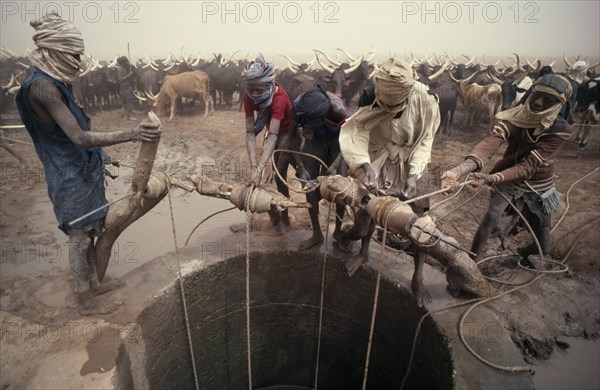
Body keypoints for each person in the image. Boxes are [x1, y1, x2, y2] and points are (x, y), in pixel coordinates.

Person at [15, 12, 161, 315]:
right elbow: (78, 137)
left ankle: (95, 284)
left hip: (83, 170)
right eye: (74, 54)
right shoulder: (43, 88)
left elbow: (77, 128)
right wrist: (132, 133)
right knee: (79, 237)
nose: (79, 60)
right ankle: (85, 300)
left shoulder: (57, 81)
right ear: (56, 51)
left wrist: (104, 157)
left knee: (93, 226)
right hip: (67, 174)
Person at [441, 73, 573, 268]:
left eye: (548, 100)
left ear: (558, 104)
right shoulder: (514, 116)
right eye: (536, 95)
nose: (537, 103)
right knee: (492, 216)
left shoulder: (560, 130)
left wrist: (490, 178)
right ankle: (471, 263)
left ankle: (535, 252)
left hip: (539, 181)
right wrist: (459, 170)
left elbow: (528, 167)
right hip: (507, 175)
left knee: (542, 227)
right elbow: (490, 143)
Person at [338, 59, 440, 305]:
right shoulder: (371, 95)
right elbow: (357, 132)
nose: (389, 109)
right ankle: (363, 252)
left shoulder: (425, 100)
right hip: (378, 154)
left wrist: (414, 175)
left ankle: (418, 277)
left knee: (420, 221)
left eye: (395, 107)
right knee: (369, 205)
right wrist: (364, 165)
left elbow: (425, 141)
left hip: (412, 157)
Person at [286, 84, 351, 250]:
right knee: (308, 184)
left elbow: (349, 139)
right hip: (313, 139)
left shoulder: (338, 110)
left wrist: (335, 164)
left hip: (337, 141)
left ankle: (337, 231)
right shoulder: (298, 108)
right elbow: (292, 138)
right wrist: (300, 166)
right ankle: (316, 233)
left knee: (341, 186)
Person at [242, 53, 292, 235]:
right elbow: (249, 131)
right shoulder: (249, 95)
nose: (255, 94)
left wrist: (259, 168)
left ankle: (285, 221)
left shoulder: (278, 99)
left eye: (259, 90)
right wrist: (254, 167)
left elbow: (273, 136)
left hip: (287, 131)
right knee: (263, 176)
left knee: (280, 175)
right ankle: (275, 217)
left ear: (269, 85)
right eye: (252, 90)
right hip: (271, 127)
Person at [116, 56, 137, 120]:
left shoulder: (122, 68)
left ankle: (126, 116)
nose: (127, 63)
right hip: (126, 87)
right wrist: (129, 75)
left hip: (123, 88)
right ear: (123, 62)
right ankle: (130, 116)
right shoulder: (121, 69)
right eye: (126, 61)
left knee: (124, 102)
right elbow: (120, 79)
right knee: (129, 101)